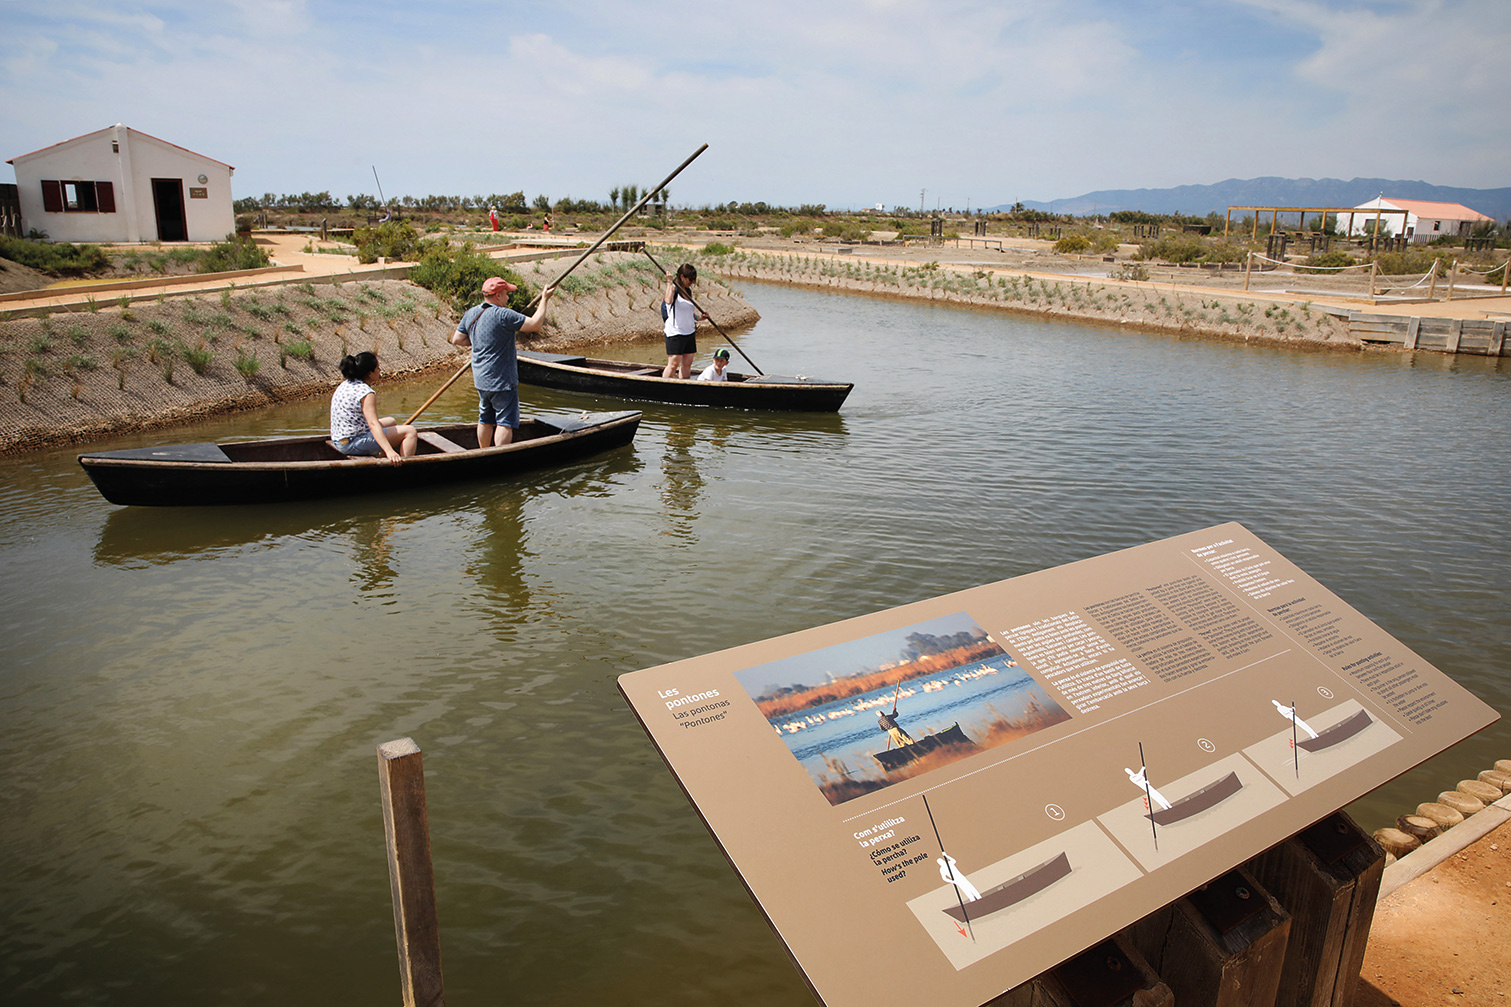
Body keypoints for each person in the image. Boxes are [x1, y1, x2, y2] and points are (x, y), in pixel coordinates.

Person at [450, 276, 553, 448]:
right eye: (506, 294)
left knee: (485, 418)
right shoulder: (503, 314)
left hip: (481, 379)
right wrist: (544, 299)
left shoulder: (471, 313)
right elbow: (535, 324)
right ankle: (499, 453)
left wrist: (480, 341)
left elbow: (457, 339)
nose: (508, 298)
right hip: (502, 380)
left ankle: (483, 452)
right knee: (505, 421)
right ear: (497, 295)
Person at [329, 352, 417, 464]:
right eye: (378, 368)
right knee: (410, 431)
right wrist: (389, 450)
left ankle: (382, 459)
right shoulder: (366, 393)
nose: (380, 371)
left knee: (391, 421)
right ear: (370, 373)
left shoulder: (346, 384)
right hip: (351, 443)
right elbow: (373, 424)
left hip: (340, 439)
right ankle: (404, 468)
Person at [662, 263, 708, 379]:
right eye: (690, 279)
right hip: (676, 332)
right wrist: (669, 282)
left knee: (687, 363)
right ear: (682, 276)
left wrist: (698, 318)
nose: (692, 282)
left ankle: (684, 387)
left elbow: (687, 311)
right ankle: (664, 387)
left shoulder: (688, 291)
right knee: (673, 364)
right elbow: (668, 300)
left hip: (689, 332)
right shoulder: (674, 288)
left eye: (694, 280)